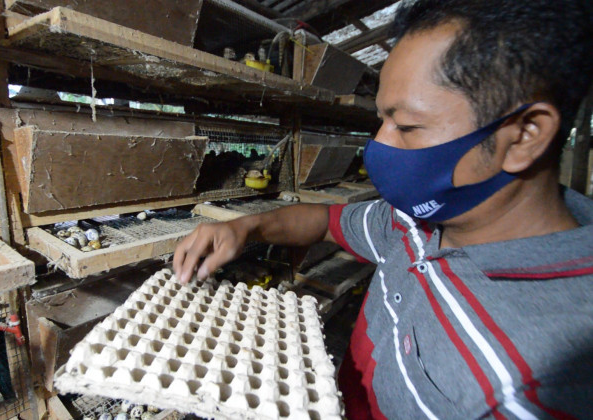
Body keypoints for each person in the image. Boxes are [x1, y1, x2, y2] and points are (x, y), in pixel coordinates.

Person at [173, 0, 593, 418]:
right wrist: (246, 228)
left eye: (407, 126)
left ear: (524, 136)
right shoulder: (419, 221)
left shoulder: (541, 382)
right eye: (381, 121)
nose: (380, 146)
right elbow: (326, 222)